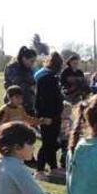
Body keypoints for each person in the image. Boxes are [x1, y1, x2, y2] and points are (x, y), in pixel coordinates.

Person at [34, 52, 66, 180]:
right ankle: (39, 170)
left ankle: (53, 167)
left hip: (54, 115)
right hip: (48, 116)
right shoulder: (47, 78)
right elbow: (42, 100)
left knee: (52, 142)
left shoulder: (50, 76)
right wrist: (44, 117)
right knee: (47, 143)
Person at [4, 46, 37, 115]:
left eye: (34, 61)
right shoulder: (12, 67)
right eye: (31, 61)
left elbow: (33, 83)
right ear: (24, 58)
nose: (33, 63)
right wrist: (30, 86)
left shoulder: (28, 69)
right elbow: (18, 85)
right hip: (14, 105)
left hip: (28, 104)